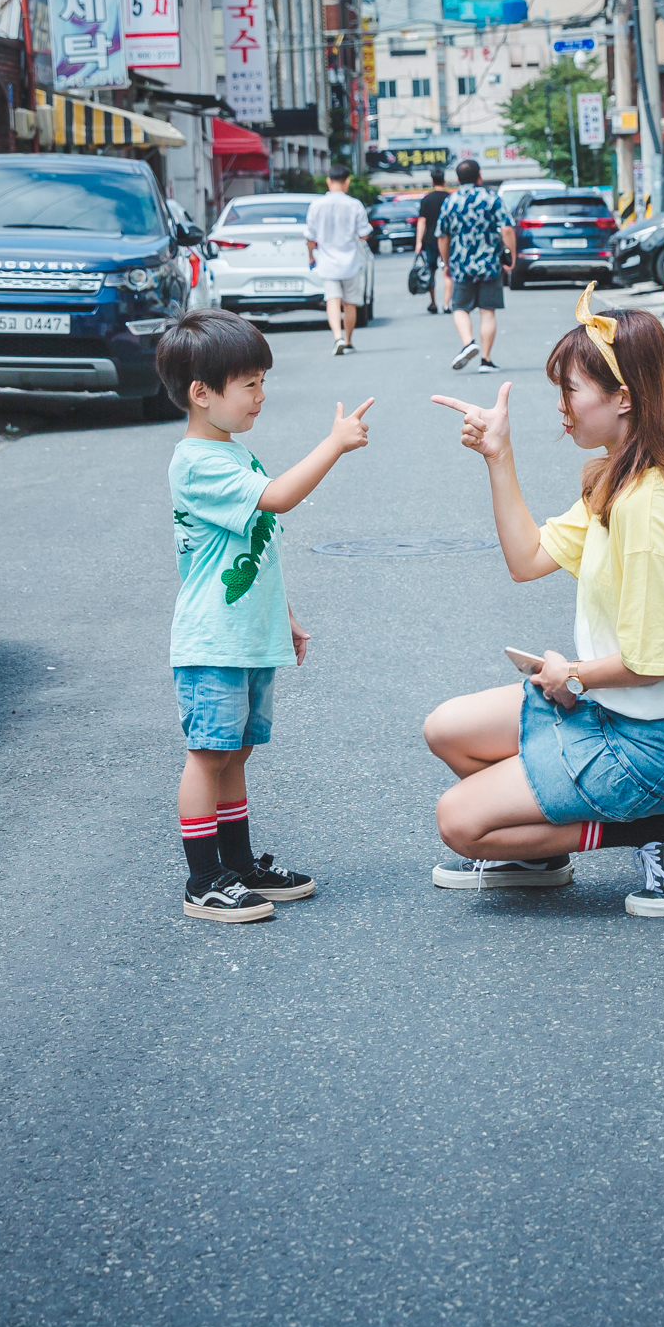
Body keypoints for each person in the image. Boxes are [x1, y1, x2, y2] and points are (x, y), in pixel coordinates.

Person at [421, 292, 664, 917]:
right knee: (447, 730)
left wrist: (574, 676)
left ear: (625, 398)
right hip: (620, 709)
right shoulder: (617, 477)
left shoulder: (649, 505)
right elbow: (526, 559)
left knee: (459, 822)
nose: (561, 406)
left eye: (572, 390)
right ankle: (536, 853)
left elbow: (659, 658)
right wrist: (498, 455)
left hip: (662, 740)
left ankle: (662, 830)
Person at [157, 309, 376, 923]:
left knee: (236, 754)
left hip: (247, 637)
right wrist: (333, 445)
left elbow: (253, 547)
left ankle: (240, 865)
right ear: (202, 394)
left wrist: (284, 615)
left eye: (261, 382)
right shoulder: (199, 463)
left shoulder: (234, 454)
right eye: (249, 384)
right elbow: (278, 498)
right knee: (209, 755)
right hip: (213, 642)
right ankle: (204, 881)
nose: (261, 396)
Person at [436, 158, 515, 371]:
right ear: (479, 176)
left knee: (460, 307)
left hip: (461, 264)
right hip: (490, 264)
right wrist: (511, 257)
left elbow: (442, 236)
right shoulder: (491, 198)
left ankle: (468, 343)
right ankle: (486, 360)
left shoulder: (450, 201)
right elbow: (507, 229)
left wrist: (446, 262)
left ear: (458, 179)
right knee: (487, 311)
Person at [306, 167, 373, 354]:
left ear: (328, 181)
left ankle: (337, 337)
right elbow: (364, 234)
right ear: (347, 181)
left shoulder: (316, 205)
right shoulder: (355, 205)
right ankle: (349, 340)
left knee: (332, 301)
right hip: (350, 261)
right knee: (349, 303)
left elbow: (309, 237)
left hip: (327, 262)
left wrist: (311, 256)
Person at [412, 167, 451, 314]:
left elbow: (422, 222)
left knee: (431, 272)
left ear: (432, 181)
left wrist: (419, 242)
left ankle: (433, 302)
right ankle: (447, 304)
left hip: (430, 240)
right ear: (445, 181)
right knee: (447, 271)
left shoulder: (427, 200)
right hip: (447, 239)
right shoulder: (449, 198)